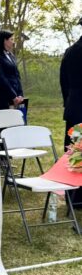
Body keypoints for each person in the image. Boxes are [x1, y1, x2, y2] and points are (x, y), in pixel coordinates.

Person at [60, 17, 82, 207]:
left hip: (74, 106)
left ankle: (73, 196)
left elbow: (63, 82)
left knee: (75, 151)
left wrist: (69, 101)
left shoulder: (70, 51)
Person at [0, 30, 24, 109]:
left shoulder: (11, 56)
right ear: (5, 41)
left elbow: (17, 76)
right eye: (11, 39)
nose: (13, 42)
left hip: (17, 97)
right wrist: (13, 96)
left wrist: (20, 94)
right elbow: (1, 78)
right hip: (5, 97)